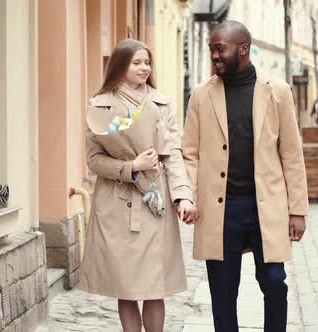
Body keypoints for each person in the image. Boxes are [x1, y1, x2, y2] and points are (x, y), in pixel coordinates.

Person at [182, 21, 309, 332]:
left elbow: (291, 154)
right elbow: (190, 154)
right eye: (211, 49)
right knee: (223, 293)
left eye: (219, 49)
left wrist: (298, 210)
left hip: (265, 206)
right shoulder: (201, 94)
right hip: (220, 209)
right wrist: (186, 194)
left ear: (243, 49)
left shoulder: (277, 92)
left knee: (275, 284)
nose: (214, 55)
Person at [78, 38, 198, 332]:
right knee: (127, 285)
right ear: (120, 66)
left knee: (155, 285)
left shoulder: (162, 103)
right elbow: (94, 161)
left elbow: (173, 156)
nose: (144, 68)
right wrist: (131, 167)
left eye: (147, 62)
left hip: (154, 204)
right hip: (117, 206)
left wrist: (183, 196)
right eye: (137, 62)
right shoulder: (101, 106)